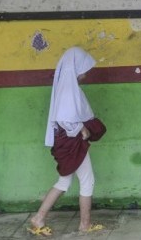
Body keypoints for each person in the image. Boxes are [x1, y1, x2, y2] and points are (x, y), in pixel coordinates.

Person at [28, 47, 106, 236]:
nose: (86, 75)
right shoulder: (68, 90)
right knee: (87, 181)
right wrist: (83, 129)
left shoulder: (66, 87)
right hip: (72, 141)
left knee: (64, 182)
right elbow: (65, 119)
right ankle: (84, 225)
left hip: (67, 141)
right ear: (75, 68)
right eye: (84, 70)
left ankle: (39, 218)